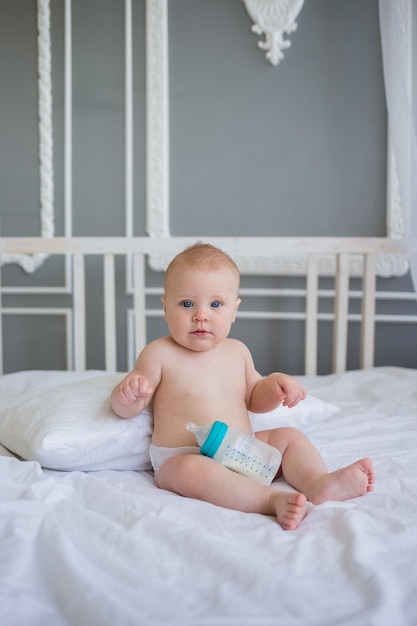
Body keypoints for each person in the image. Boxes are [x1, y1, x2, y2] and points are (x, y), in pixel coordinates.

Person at [111, 242, 374, 530]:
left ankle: (318, 483)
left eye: (215, 305)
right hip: (186, 455)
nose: (201, 315)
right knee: (191, 470)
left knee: (289, 437)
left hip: (244, 451)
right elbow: (128, 408)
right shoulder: (158, 353)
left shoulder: (237, 352)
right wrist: (128, 394)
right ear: (165, 308)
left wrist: (273, 387)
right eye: (187, 304)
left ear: (234, 310)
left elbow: (253, 397)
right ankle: (269, 500)